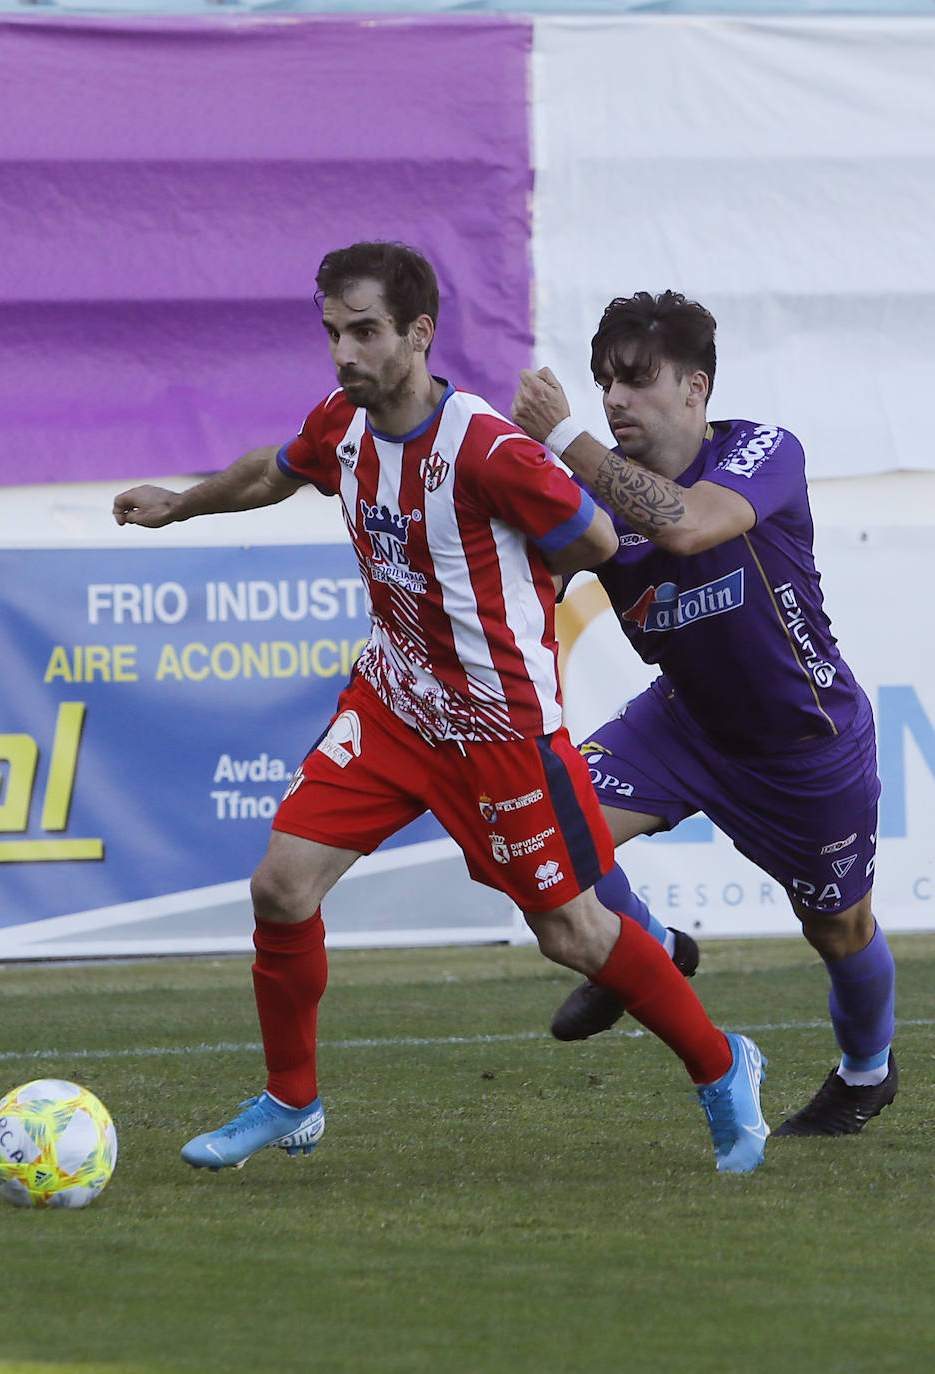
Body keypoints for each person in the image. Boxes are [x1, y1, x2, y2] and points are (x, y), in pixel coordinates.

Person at [113, 244, 769, 1173]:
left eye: (366, 332)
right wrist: (182, 505)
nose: (345, 353)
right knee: (280, 886)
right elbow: (276, 471)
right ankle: (291, 1100)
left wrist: (511, 589)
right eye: (334, 332)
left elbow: (592, 537)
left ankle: (722, 1063)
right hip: (394, 707)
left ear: (418, 335)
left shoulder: (486, 446)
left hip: (499, 727)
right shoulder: (342, 424)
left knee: (573, 932)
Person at [511, 290, 896, 1138]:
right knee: (545, 829)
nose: (612, 400)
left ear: (696, 387)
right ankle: (648, 950)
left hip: (804, 742)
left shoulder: (762, 450)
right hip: (681, 726)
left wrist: (561, 437)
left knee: (839, 929)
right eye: (603, 381)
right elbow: (522, 584)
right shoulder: (590, 493)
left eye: (636, 380)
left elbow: (688, 526)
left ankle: (867, 1075)